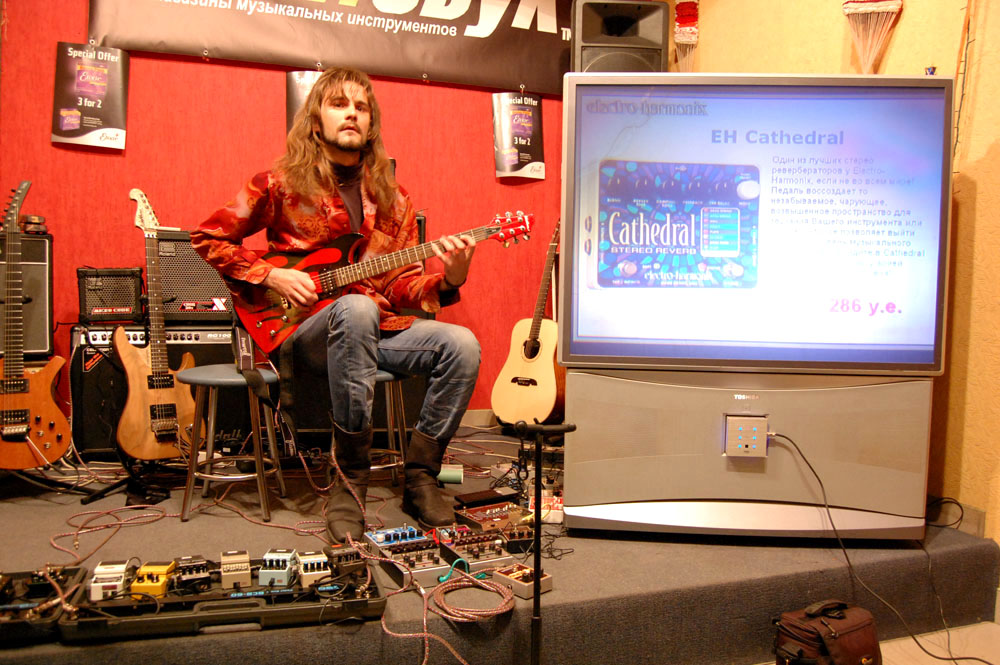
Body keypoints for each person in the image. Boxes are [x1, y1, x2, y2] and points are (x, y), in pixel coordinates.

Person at [191, 67, 481, 544]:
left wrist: (450, 279)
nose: (351, 114)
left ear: (372, 123)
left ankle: (421, 477)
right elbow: (208, 238)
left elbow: (400, 285)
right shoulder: (279, 183)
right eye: (339, 104)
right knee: (355, 312)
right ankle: (349, 481)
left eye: (361, 107)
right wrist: (272, 274)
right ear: (316, 120)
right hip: (301, 330)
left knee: (461, 345)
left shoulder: (393, 199)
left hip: (369, 325)